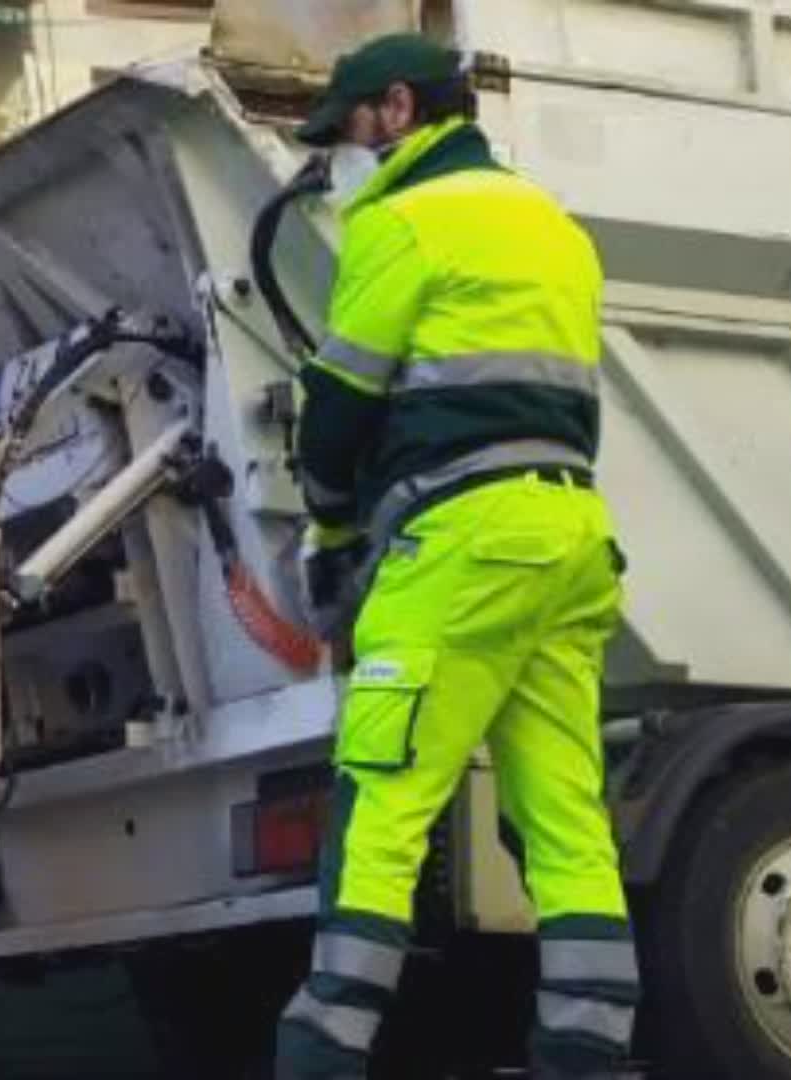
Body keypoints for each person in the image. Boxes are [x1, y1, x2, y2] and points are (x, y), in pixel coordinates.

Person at [273, 33, 639, 1080]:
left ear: (395, 109)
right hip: (570, 536)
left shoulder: (401, 222)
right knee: (565, 811)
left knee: (384, 788)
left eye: (343, 130)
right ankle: (588, 1048)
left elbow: (336, 410)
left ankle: (324, 1045)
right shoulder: (556, 228)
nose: (340, 155)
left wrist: (334, 538)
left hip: (461, 543)